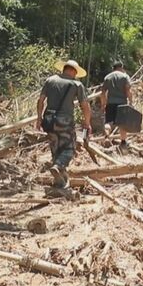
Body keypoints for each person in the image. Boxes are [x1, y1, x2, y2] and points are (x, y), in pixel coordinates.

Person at [36, 59, 92, 191]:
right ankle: (58, 166)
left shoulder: (50, 80)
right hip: (65, 120)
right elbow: (85, 106)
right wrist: (87, 122)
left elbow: (41, 100)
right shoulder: (76, 84)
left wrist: (39, 118)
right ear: (73, 71)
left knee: (55, 148)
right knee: (69, 148)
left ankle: (59, 181)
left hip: (49, 119)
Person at [100, 61, 132, 147]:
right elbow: (128, 90)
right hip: (122, 104)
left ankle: (107, 137)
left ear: (113, 68)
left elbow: (103, 93)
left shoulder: (107, 77)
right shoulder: (125, 76)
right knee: (122, 124)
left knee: (108, 122)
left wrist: (103, 105)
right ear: (121, 67)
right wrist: (131, 102)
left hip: (110, 103)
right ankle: (123, 142)